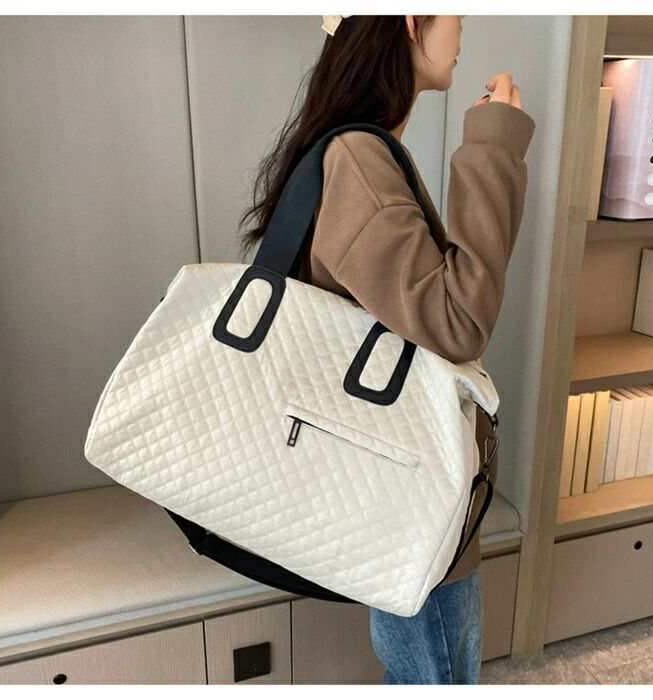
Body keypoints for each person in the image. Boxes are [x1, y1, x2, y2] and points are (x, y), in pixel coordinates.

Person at [239, 15, 535, 685]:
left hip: (394, 484)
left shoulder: (356, 151)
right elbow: (457, 321)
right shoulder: (359, 162)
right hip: (409, 496)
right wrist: (494, 145)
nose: (464, 23)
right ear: (408, 20)